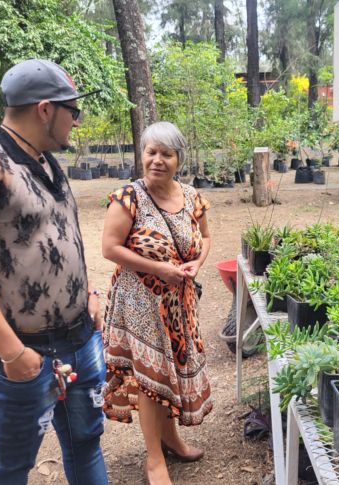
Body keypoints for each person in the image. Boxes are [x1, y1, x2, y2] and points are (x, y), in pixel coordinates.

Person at [0, 59, 109, 485]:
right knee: (8, 471)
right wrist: (13, 355)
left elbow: (56, 239)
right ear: (45, 109)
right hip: (19, 359)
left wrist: (85, 292)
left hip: (79, 340)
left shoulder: (47, 160)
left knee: (86, 444)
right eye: (73, 110)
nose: (77, 120)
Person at [101, 121, 213, 485]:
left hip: (179, 304)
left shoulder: (193, 196)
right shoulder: (128, 197)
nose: (157, 160)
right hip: (139, 305)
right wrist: (158, 269)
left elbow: (206, 236)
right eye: (151, 152)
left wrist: (196, 262)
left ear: (179, 157)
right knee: (151, 377)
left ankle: (172, 438)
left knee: (172, 374)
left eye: (166, 153)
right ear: (142, 155)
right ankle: (154, 461)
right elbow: (110, 248)